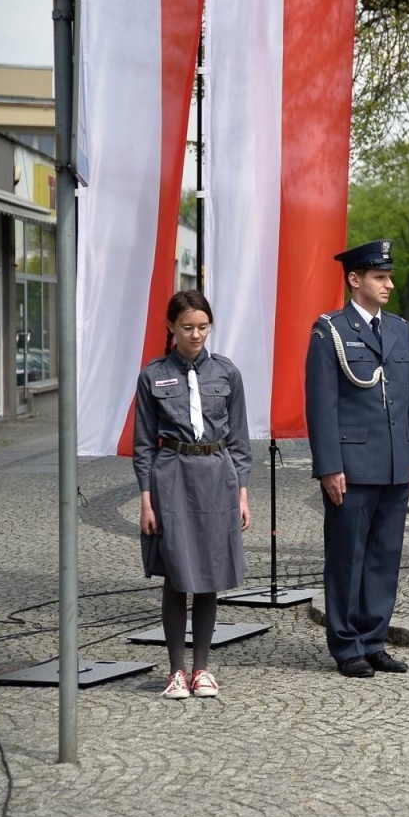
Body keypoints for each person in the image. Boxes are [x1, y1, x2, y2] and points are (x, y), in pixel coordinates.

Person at [305, 239, 409, 677]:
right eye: (380, 277)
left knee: (384, 558)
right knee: (347, 558)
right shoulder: (330, 331)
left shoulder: (398, 329)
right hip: (353, 466)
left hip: (394, 464)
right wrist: (329, 466)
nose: (388, 284)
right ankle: (346, 646)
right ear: (355, 280)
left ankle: (374, 640)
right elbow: (321, 405)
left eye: (389, 277)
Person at [132, 290, 252, 699]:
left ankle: (201, 668)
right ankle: (176, 671)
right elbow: (143, 445)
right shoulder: (152, 375)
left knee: (209, 573)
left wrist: (242, 494)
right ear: (171, 327)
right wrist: (146, 500)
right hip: (173, 476)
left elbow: (239, 439)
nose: (196, 334)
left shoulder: (227, 373)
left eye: (203, 327)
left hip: (217, 476)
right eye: (187, 327)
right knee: (177, 573)